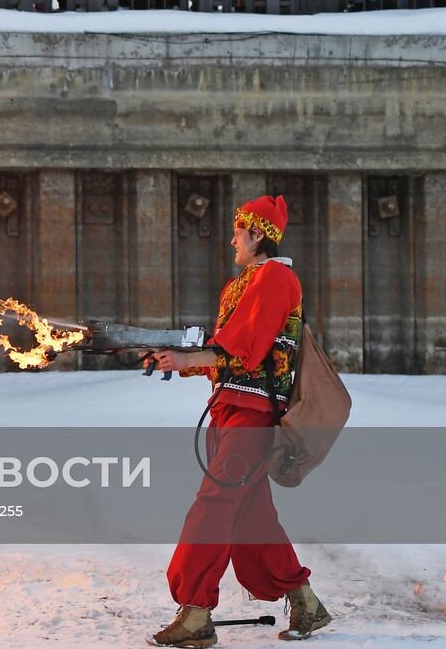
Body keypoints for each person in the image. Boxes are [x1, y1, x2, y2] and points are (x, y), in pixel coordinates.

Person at [146, 196, 331, 646]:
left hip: (254, 417)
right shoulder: (239, 286)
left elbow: (242, 347)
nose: (232, 239)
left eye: (238, 231)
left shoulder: (276, 277)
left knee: (214, 505)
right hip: (228, 410)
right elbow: (225, 357)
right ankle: (306, 603)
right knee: (252, 519)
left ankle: (195, 614)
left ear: (258, 234)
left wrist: (193, 356)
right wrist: (179, 361)